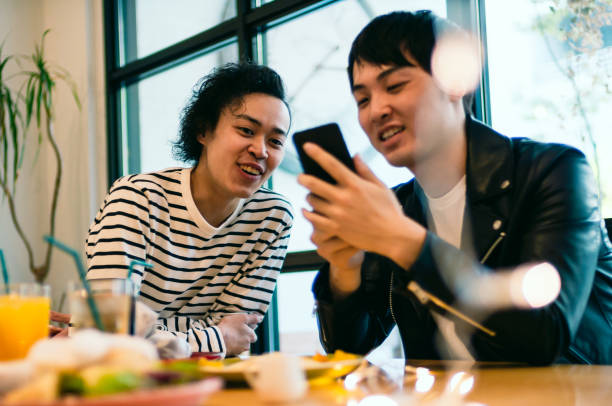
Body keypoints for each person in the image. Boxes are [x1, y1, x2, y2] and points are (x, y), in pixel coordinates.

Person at [299, 10, 612, 364]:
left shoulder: (553, 172)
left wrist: (405, 242)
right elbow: (350, 348)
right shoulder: (402, 206)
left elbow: (544, 337)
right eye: (363, 99)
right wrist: (345, 267)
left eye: (395, 86)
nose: (376, 111)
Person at [86, 62, 293, 357]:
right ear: (204, 131)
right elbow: (108, 332)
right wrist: (216, 337)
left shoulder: (272, 218)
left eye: (275, 141)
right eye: (246, 130)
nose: (261, 150)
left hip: (210, 383)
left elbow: (237, 331)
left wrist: (152, 331)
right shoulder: (139, 198)